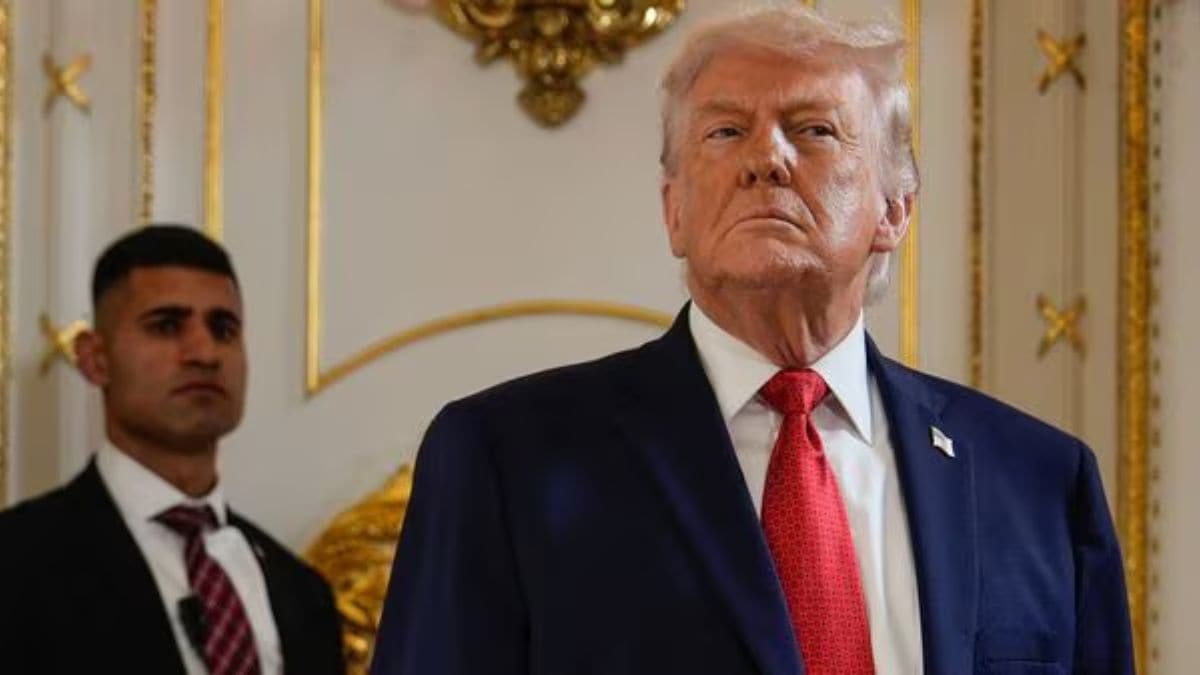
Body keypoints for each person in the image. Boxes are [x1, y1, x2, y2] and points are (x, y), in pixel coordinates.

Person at [370, 6, 1133, 675]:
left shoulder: (1038, 480)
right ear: (674, 211)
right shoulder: (507, 459)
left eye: (814, 130)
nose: (766, 159)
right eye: (726, 131)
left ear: (894, 209)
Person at [0, 225, 345, 674]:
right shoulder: (15, 563)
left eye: (224, 329)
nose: (205, 352)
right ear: (95, 359)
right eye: (166, 326)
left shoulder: (304, 593)